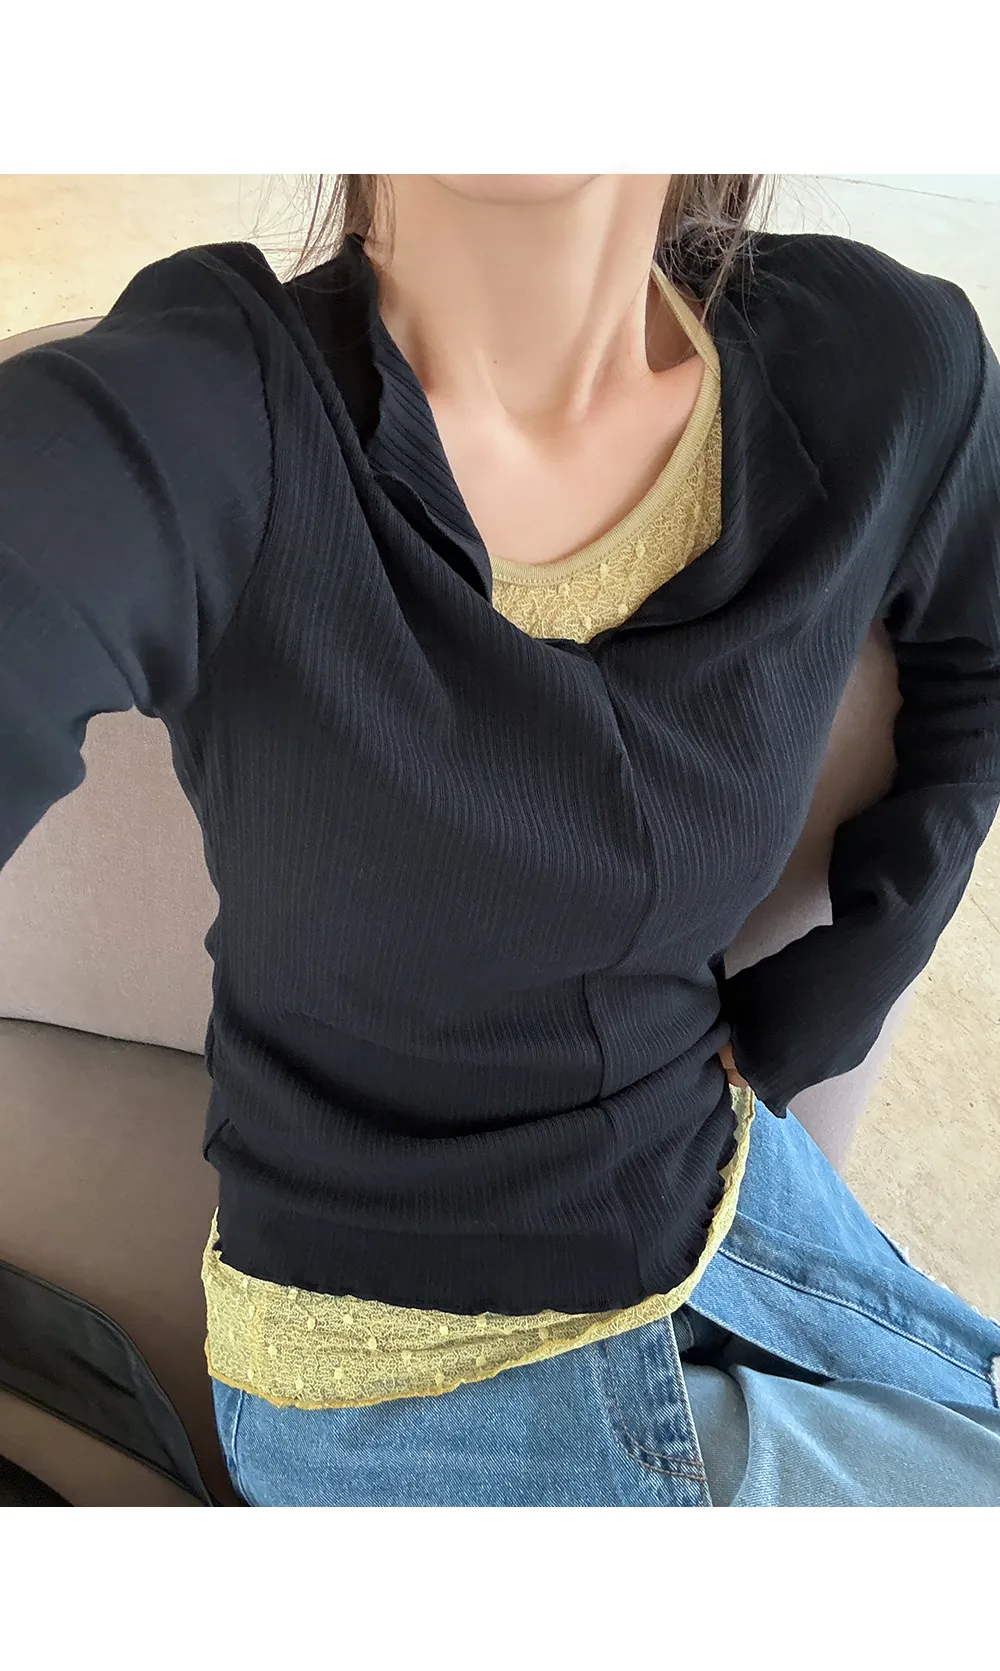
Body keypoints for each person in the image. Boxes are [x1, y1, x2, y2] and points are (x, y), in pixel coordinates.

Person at [2, 173, 999, 1507]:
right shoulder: (200, 416)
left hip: (717, 1185)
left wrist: (838, 988)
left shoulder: (873, 360)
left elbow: (984, 651)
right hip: (395, 1378)